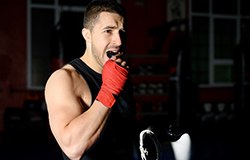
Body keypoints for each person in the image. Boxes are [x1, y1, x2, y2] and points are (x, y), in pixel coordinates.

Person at [44, 0, 138, 159]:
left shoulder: (120, 74)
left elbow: (121, 135)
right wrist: (108, 90)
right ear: (87, 35)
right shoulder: (64, 79)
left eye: (122, 32)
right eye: (108, 31)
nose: (119, 42)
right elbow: (73, 148)